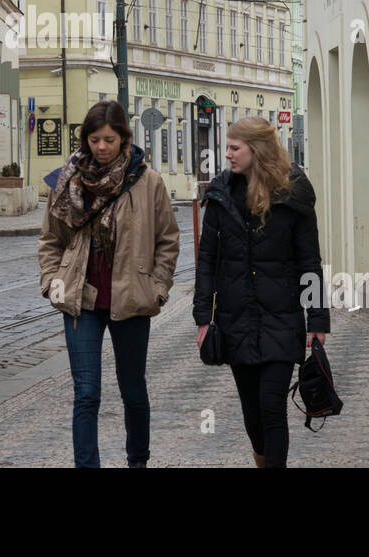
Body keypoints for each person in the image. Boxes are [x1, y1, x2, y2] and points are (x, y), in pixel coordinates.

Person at [38, 100, 180, 468]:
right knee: (86, 394)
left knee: (132, 390)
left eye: (109, 140)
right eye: (94, 139)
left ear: (123, 139)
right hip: (80, 299)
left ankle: (137, 461)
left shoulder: (148, 183)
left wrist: (158, 287)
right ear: (85, 140)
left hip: (131, 298)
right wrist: (51, 281)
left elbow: (167, 240)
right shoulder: (66, 179)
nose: (101, 147)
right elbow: (50, 239)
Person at [193, 116, 329, 468]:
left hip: (281, 317)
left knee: (272, 409)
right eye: (227, 148)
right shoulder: (221, 195)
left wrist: (317, 318)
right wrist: (202, 319)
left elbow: (309, 262)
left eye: (234, 148)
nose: (227, 155)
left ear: (256, 150)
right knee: (253, 417)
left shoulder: (293, 193)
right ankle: (262, 459)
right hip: (236, 319)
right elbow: (207, 260)